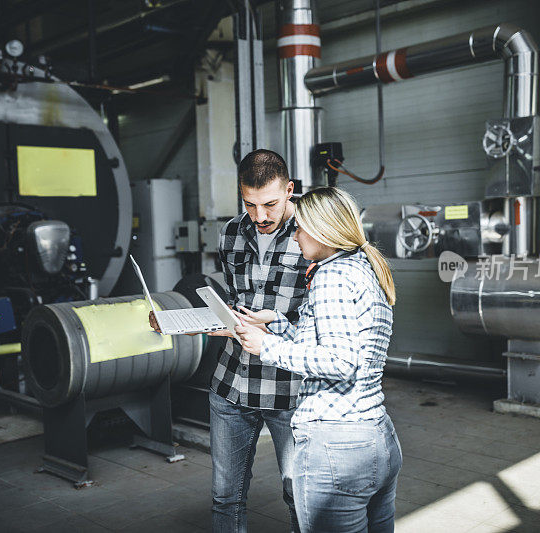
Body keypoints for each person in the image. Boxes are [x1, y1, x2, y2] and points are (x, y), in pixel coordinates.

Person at [150, 149, 309, 532]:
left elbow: (326, 315)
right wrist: (192, 321)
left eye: (270, 204)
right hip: (231, 386)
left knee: (299, 494)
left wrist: (274, 326)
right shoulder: (232, 233)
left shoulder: (315, 229)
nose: (260, 217)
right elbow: (236, 301)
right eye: (249, 204)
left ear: (289, 189)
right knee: (226, 495)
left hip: (290, 388)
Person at [234, 186, 401, 533]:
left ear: (323, 229)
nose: (294, 237)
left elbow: (341, 361)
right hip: (376, 437)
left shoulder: (331, 276)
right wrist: (275, 322)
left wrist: (266, 347)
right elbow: (332, 342)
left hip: (337, 445)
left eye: (299, 227)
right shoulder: (362, 267)